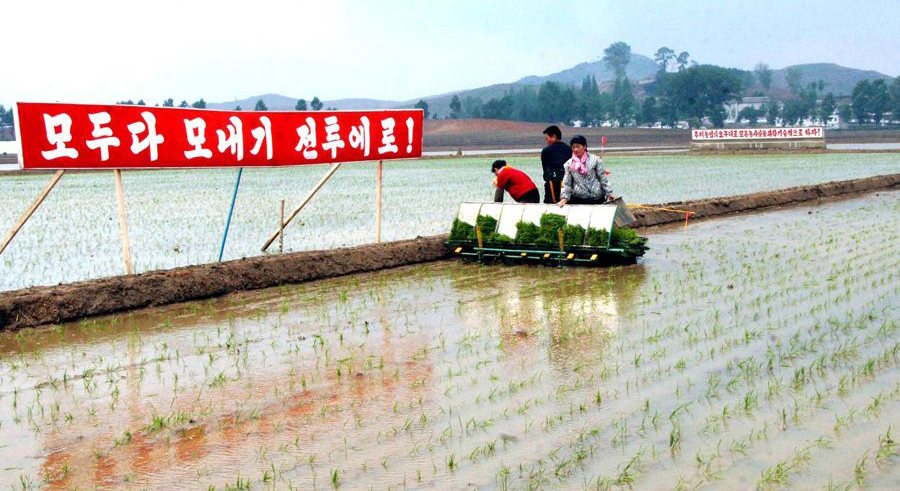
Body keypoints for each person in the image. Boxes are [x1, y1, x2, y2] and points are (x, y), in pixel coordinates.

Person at [557, 135, 615, 206]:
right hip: (578, 199)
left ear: (584, 146)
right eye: (573, 147)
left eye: (578, 147)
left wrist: (610, 193)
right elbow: (567, 183)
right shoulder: (569, 164)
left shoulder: (595, 160)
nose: (575, 149)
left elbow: (602, 178)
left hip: (597, 198)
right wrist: (564, 198)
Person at [540, 125, 572, 204]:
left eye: (547, 139)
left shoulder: (546, 151)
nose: (547, 141)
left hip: (552, 185)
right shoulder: (569, 149)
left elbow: (545, 171)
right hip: (568, 184)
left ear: (554, 136)